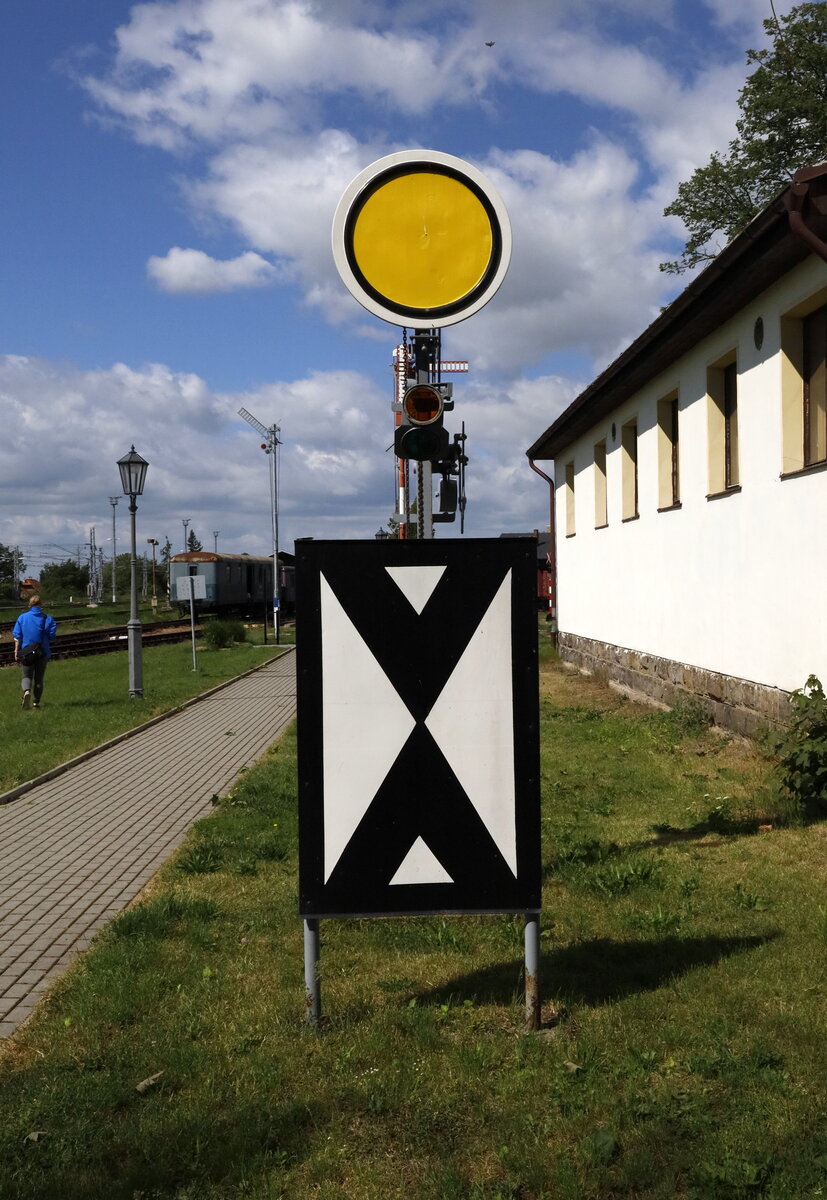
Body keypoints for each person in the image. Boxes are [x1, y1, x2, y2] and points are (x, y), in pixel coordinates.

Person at [13, 595, 57, 710]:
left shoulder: (22, 617)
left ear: (29, 605)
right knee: (39, 678)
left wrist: (16, 651)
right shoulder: (48, 619)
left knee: (26, 676)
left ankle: (26, 692)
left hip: (27, 653)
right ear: (41, 605)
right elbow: (52, 637)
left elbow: (17, 636)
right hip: (42, 653)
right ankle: (36, 703)